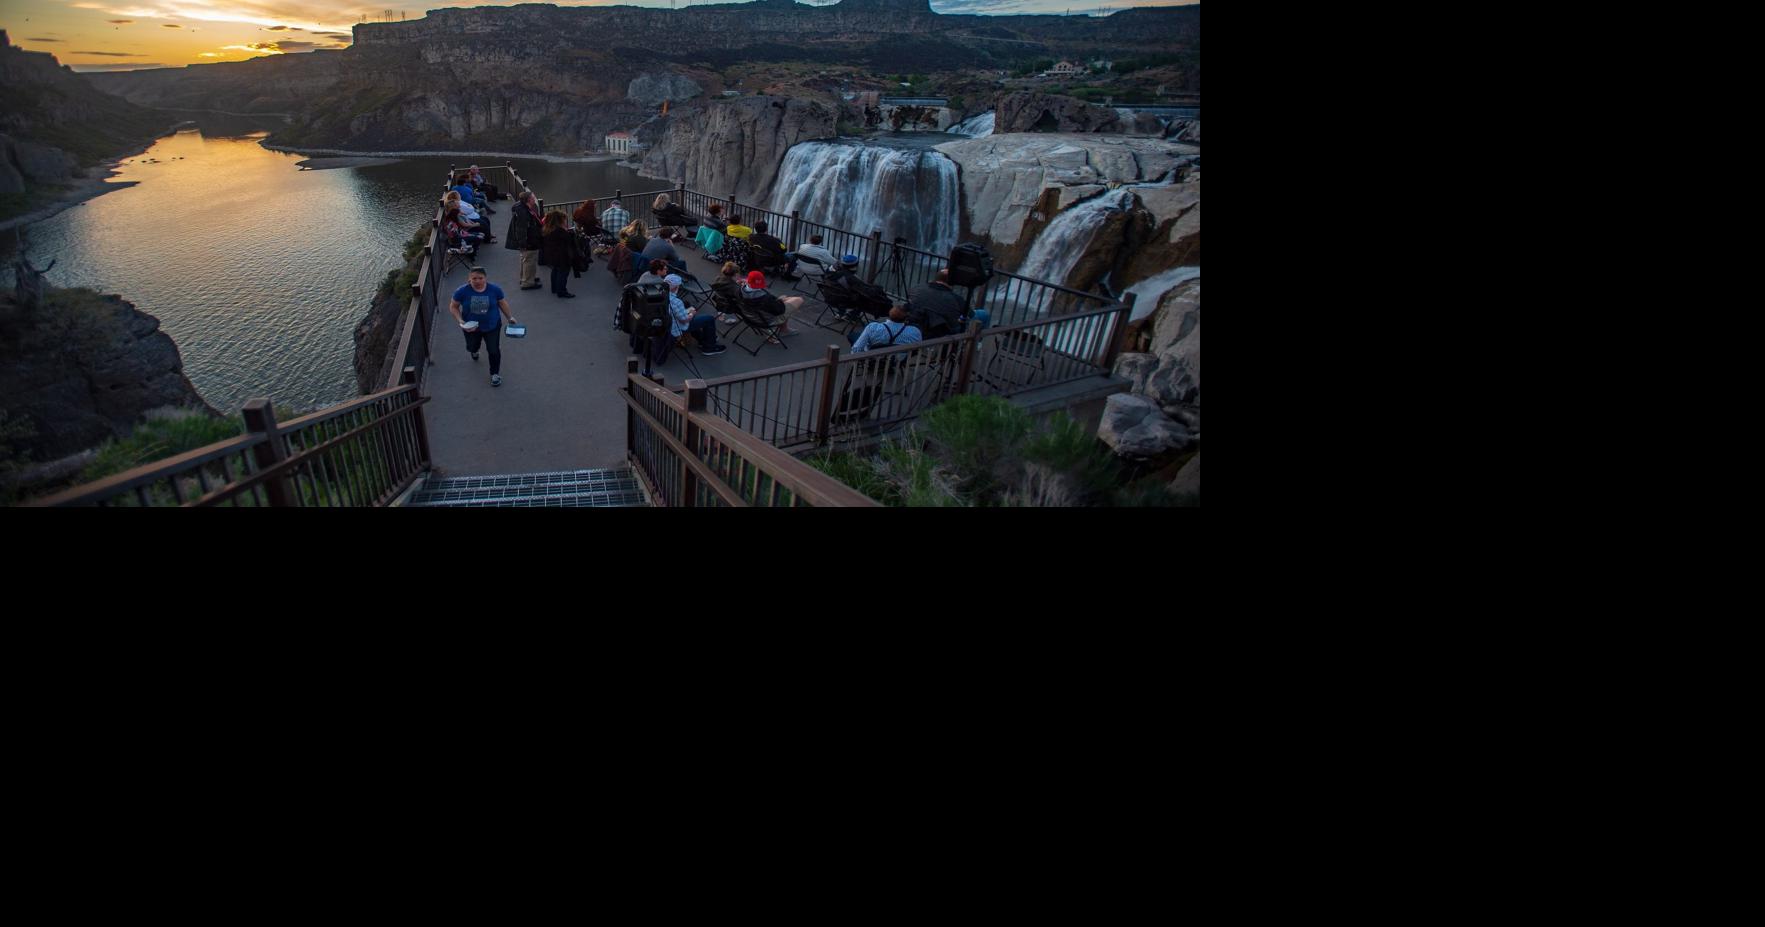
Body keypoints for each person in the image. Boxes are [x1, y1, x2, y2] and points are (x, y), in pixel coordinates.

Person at [449, 266, 521, 387]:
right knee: (472, 346)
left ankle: (495, 374)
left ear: (485, 278)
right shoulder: (461, 291)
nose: (477, 281)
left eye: (480, 278)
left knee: (493, 350)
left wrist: (510, 317)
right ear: (469, 279)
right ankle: (474, 351)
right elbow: (453, 306)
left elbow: (502, 303)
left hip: (492, 325)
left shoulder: (494, 289)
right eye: (474, 278)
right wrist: (460, 320)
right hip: (471, 327)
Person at [907, 268, 989, 337]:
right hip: (945, 332)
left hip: (918, 325)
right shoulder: (956, 299)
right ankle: (978, 342)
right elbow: (970, 314)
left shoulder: (916, 289)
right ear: (952, 282)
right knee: (983, 314)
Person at [666, 273, 726, 357]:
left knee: (688, 307)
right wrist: (691, 313)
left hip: (667, 324)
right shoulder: (676, 301)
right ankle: (709, 347)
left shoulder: (661, 294)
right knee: (709, 319)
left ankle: (702, 339)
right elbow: (685, 320)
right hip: (677, 328)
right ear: (676, 287)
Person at [740, 270, 803, 340]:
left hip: (749, 317)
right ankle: (784, 330)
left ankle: (784, 328)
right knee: (799, 300)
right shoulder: (764, 298)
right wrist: (780, 300)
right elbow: (779, 310)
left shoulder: (740, 290)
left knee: (785, 299)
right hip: (765, 320)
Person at [505, 190, 544, 290]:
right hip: (529, 241)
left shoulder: (521, 208)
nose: (534, 198)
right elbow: (521, 229)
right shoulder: (523, 212)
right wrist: (523, 243)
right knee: (529, 260)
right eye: (533, 197)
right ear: (529, 199)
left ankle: (526, 278)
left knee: (525, 260)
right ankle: (527, 283)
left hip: (528, 240)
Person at [849, 305, 923, 352]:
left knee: (852, 336)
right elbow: (916, 349)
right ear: (906, 318)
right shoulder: (915, 332)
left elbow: (856, 350)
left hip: (872, 357)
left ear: (889, 314)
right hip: (896, 361)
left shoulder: (873, 327)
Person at [540, 210, 576, 298]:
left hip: (551, 255)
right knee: (563, 272)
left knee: (555, 270)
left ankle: (554, 288)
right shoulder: (560, 231)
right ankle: (562, 291)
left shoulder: (547, 229)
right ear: (559, 220)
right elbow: (568, 240)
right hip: (561, 256)